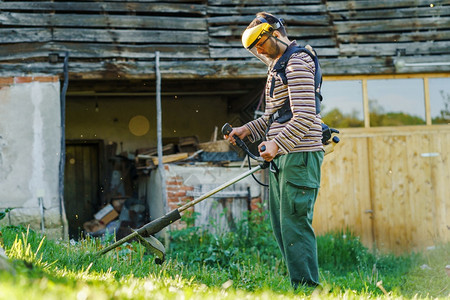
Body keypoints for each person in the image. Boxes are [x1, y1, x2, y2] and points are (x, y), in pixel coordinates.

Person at [224, 12, 324, 288]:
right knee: (283, 227)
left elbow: (305, 116)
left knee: (295, 225)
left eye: (261, 43)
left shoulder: (297, 62)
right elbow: (274, 116)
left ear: (276, 34)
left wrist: (278, 144)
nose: (259, 50)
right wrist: (247, 130)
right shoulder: (278, 67)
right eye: (253, 48)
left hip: (299, 154)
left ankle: (307, 290)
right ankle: (301, 286)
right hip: (285, 156)